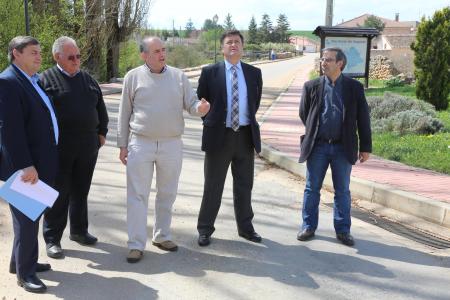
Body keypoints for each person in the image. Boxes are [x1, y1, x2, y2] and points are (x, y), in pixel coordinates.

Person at [117, 37, 210, 263]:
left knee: (167, 192)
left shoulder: (178, 77)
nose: (162, 54)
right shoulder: (133, 77)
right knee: (137, 195)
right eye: (156, 50)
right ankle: (136, 244)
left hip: (171, 143)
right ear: (144, 55)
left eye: (163, 50)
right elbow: (124, 112)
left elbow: (192, 104)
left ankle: (162, 235)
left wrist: (201, 108)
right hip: (141, 143)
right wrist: (122, 144)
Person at [40, 36, 109, 258]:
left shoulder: (88, 80)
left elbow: (100, 108)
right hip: (59, 149)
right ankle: (52, 239)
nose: (76, 60)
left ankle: (79, 231)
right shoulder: (45, 80)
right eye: (71, 57)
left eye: (78, 56)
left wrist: (101, 133)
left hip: (87, 147)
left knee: (81, 191)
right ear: (57, 56)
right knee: (58, 194)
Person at [0, 36, 59, 293]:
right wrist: (25, 165)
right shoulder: (8, 82)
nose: (39, 56)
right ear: (16, 53)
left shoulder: (31, 80)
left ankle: (20, 262)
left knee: (30, 215)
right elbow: (10, 131)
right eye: (33, 52)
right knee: (26, 219)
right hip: (27, 166)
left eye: (40, 51)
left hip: (40, 161)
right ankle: (26, 274)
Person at [297, 47, 372, 246]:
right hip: (318, 147)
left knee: (342, 191)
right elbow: (305, 114)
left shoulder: (353, 88)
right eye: (323, 59)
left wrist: (365, 147)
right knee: (312, 189)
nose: (324, 62)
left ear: (340, 63)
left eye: (328, 59)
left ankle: (343, 230)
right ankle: (308, 226)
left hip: (342, 147)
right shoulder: (311, 86)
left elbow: (363, 118)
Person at [196, 30, 263, 247]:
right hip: (219, 135)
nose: (233, 45)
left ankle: (245, 228)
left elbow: (255, 102)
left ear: (242, 47)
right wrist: (211, 123)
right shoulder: (209, 72)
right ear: (222, 48)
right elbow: (202, 104)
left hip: (245, 135)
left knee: (244, 185)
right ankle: (205, 229)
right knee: (213, 185)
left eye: (237, 42)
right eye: (229, 42)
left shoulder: (254, 73)